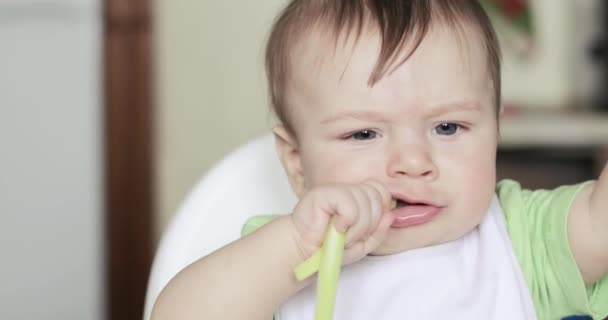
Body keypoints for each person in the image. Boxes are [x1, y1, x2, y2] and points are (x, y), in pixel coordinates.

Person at [151, 1, 608, 319]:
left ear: (495, 134)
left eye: (448, 128)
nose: (412, 162)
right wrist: (293, 246)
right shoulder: (286, 259)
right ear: (296, 162)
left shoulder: (521, 239)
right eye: (363, 133)